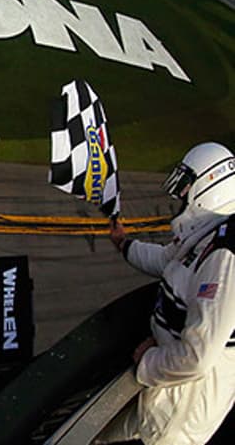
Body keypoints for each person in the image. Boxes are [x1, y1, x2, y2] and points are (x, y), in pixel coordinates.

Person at [96, 142, 235, 444]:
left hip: (178, 417)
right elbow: (166, 260)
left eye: (187, 186)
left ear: (210, 187)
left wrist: (149, 359)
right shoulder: (206, 236)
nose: (180, 196)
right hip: (163, 396)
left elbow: (197, 358)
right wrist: (125, 244)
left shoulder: (225, 258)